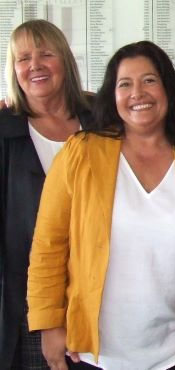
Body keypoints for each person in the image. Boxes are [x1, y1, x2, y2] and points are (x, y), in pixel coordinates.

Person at [27, 41, 175, 370]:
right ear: (112, 95)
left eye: (149, 80)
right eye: (124, 84)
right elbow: (48, 245)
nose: (137, 93)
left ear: (168, 89)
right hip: (89, 354)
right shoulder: (81, 152)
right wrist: (49, 324)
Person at [0, 19, 91, 370]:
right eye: (23, 58)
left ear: (64, 61)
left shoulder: (102, 120)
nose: (34, 65)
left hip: (99, 294)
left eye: (45, 54)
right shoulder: (5, 129)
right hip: (29, 304)